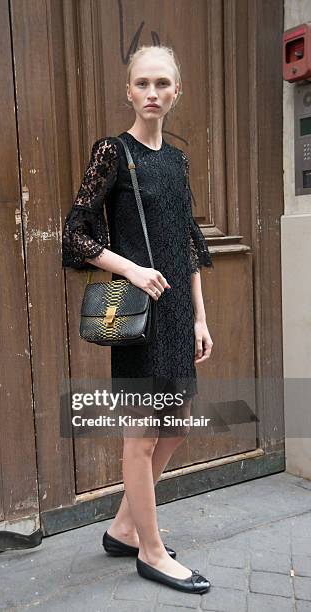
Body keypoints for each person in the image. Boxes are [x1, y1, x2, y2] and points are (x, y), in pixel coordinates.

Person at [62, 44, 214, 595]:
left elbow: (188, 242)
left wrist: (200, 317)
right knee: (142, 437)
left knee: (174, 427)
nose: (153, 93)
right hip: (138, 312)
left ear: (177, 92)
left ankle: (126, 527)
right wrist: (132, 268)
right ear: (129, 91)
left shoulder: (176, 160)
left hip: (176, 313)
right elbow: (76, 234)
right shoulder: (111, 152)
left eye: (163, 84)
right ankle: (151, 552)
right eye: (143, 84)